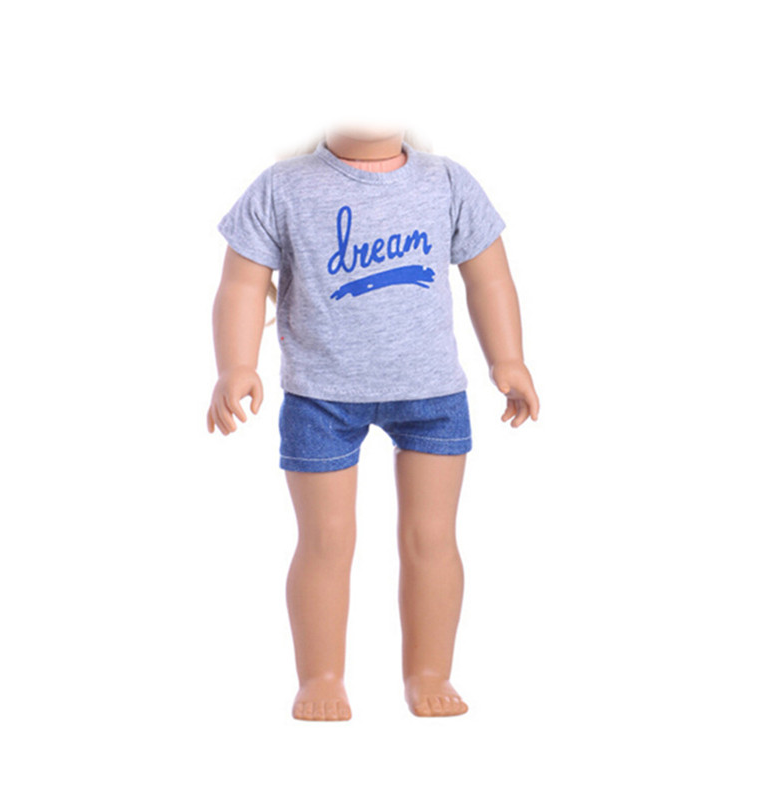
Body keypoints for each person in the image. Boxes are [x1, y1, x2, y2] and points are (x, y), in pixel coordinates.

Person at [208, 127, 540, 720]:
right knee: (325, 541)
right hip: (320, 397)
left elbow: (489, 277)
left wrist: (508, 359)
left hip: (431, 393)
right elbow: (240, 285)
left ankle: (430, 671)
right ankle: (321, 676)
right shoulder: (283, 187)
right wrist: (235, 366)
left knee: (431, 538)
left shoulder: (446, 181)